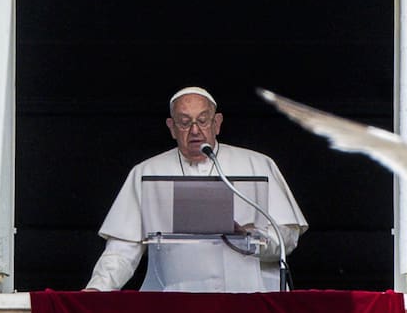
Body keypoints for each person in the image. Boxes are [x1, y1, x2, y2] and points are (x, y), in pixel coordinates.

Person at [85, 86, 307, 292]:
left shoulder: (258, 164)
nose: (194, 130)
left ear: (217, 123)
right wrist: (97, 289)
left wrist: (251, 237)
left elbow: (287, 238)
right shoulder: (147, 172)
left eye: (202, 120)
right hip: (177, 299)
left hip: (249, 295)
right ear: (171, 127)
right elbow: (123, 248)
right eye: (184, 122)